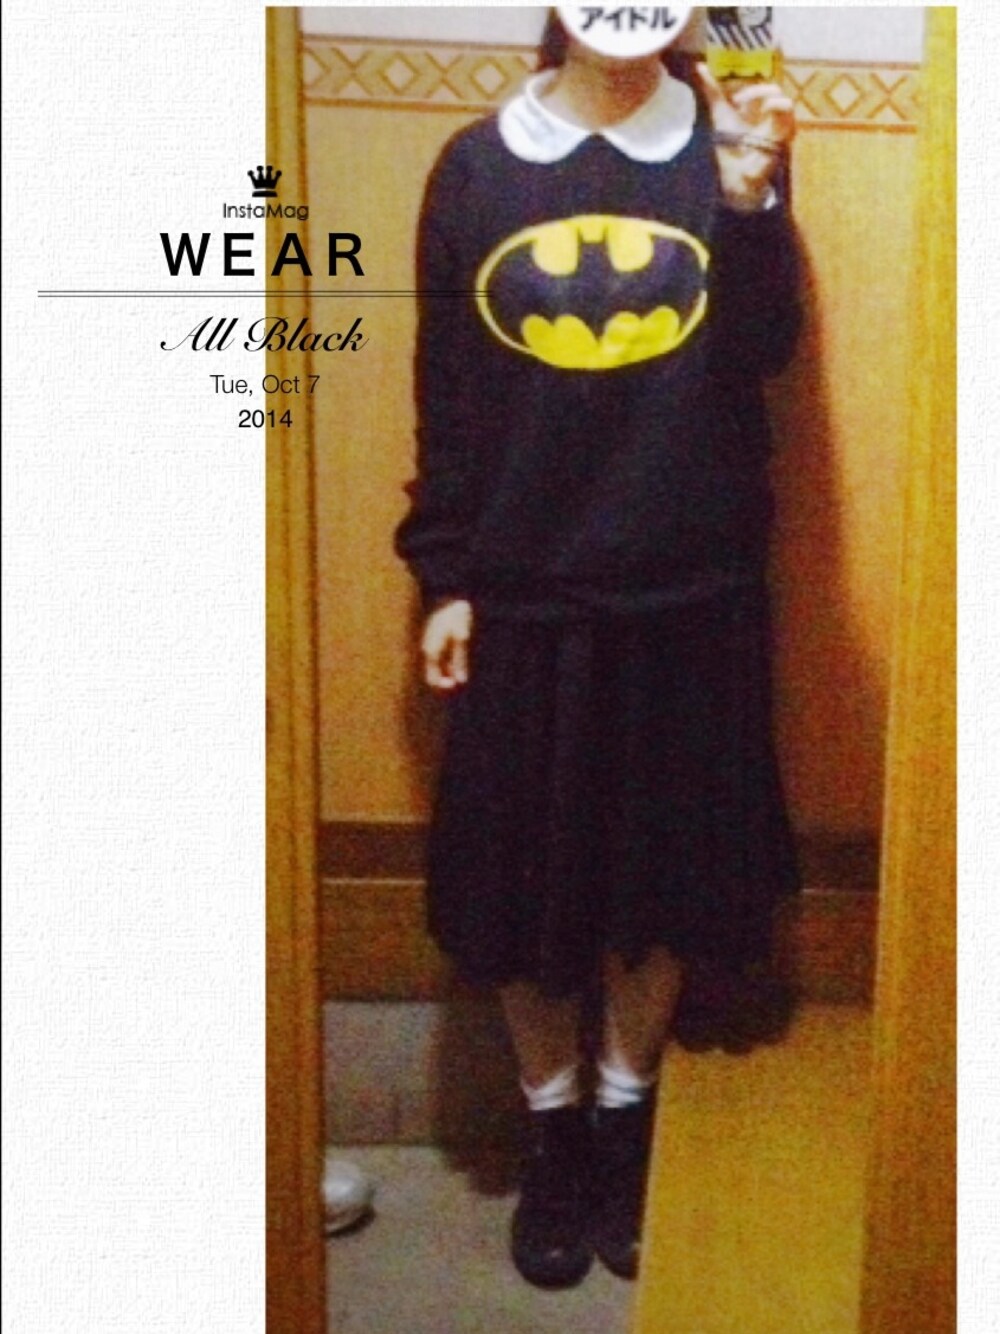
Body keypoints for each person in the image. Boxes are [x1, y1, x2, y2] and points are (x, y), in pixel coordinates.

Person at [394, 9, 800, 1289]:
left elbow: (765, 352)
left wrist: (749, 202)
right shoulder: (478, 165)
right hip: (526, 581)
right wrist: (445, 573)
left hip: (691, 580)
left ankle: (625, 1119)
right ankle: (553, 1131)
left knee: (661, 880)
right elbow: (444, 382)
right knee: (526, 890)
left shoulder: (730, 139)